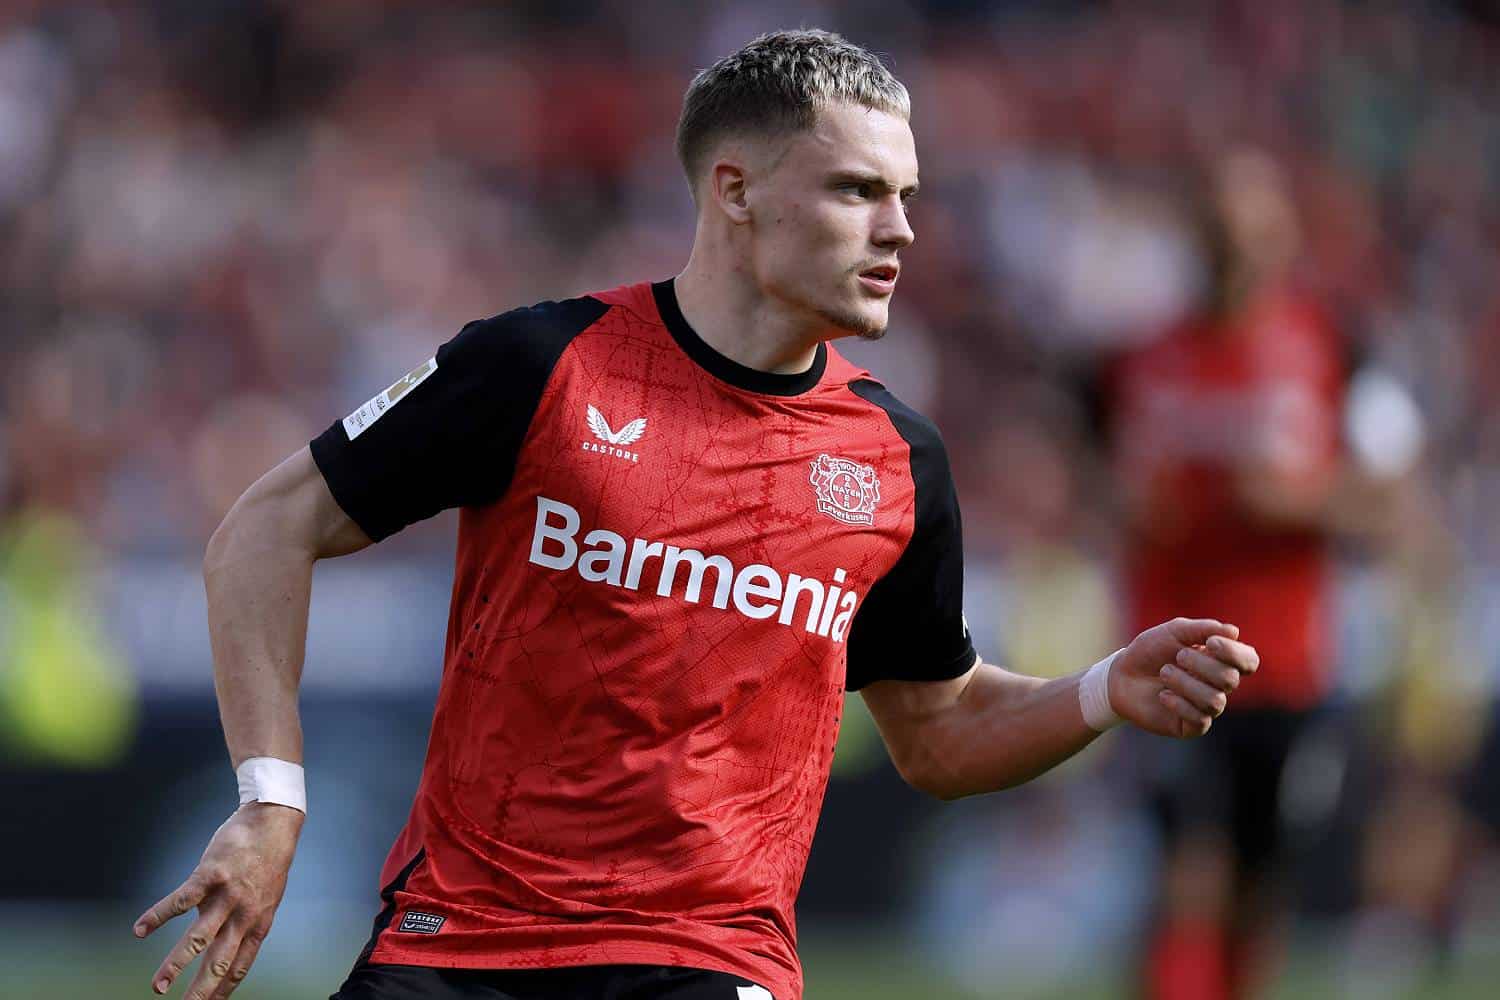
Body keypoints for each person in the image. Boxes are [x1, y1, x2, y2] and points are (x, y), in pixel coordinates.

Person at [133, 30, 1260, 1000]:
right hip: (460, 942)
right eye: (857, 191)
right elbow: (265, 530)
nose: (901, 231)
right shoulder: (542, 365)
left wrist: (1103, 690)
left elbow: (942, 727)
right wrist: (271, 802)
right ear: (735, 191)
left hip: (705, 956)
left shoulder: (896, 458)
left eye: (907, 196)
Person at [1100, 152, 1354, 1000]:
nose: (1233, 249)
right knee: (1186, 870)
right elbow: (1107, 485)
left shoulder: (1332, 348)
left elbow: (1389, 501)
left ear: (1281, 237)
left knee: (1258, 879)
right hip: (1171, 650)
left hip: (1286, 660)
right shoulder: (1143, 359)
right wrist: (1134, 503)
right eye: (1218, 230)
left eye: (1248, 231)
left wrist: (1300, 500)